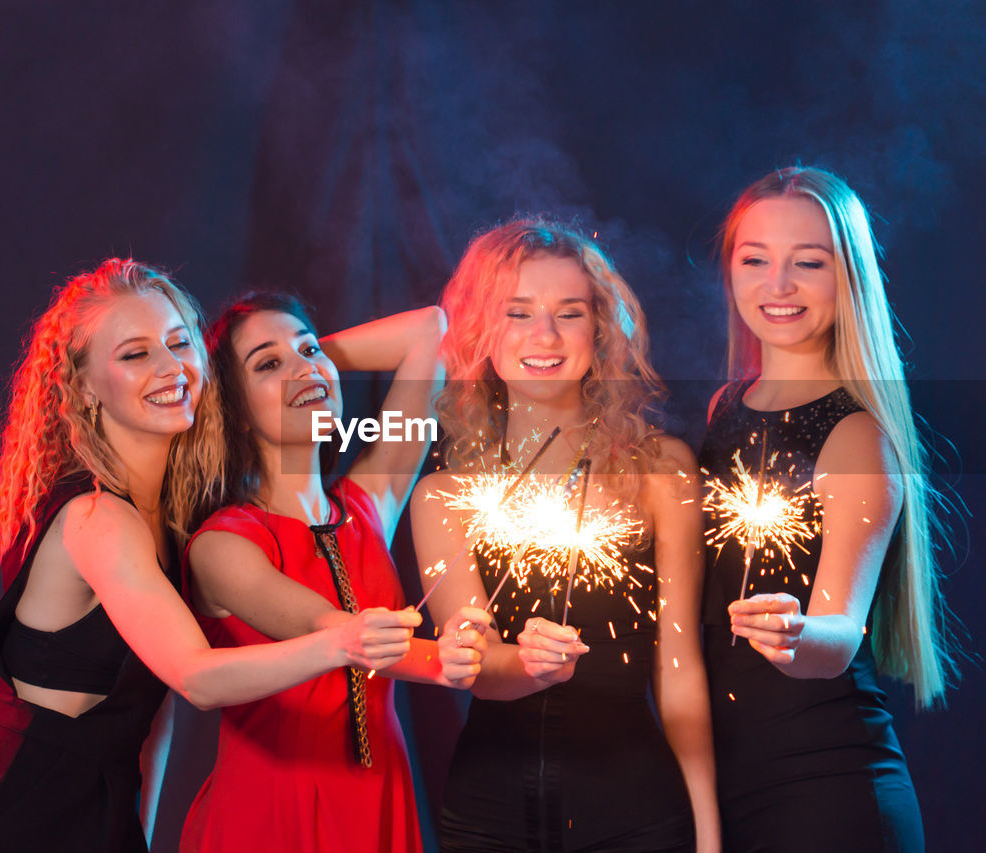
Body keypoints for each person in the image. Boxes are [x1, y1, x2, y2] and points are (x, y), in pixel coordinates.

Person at [0, 260, 425, 853]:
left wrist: (301, 362)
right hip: (12, 820)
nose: (171, 366)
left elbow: (151, 716)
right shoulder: (98, 518)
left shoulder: (174, 522)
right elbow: (195, 677)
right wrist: (343, 642)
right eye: (135, 354)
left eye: (180, 344)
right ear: (83, 389)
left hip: (102, 819)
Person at [410, 219, 722, 852]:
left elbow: (680, 667)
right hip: (487, 817)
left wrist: (709, 835)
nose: (544, 335)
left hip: (636, 813)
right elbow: (474, 665)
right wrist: (527, 667)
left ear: (601, 329)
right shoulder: (444, 495)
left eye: (569, 313)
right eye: (517, 313)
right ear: (480, 331)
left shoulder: (661, 469)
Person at [700, 166, 957, 852]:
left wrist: (792, 632)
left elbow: (840, 634)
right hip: (728, 790)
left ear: (849, 279)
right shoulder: (724, 409)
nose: (777, 285)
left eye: (807, 263)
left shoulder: (858, 437)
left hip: (827, 796)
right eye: (755, 259)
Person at [179, 292, 490, 853]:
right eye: (267, 363)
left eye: (309, 347)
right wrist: (444, 660)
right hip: (274, 811)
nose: (303, 365)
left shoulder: (369, 502)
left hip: (380, 798)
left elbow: (428, 329)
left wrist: (310, 366)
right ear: (236, 413)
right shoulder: (222, 544)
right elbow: (336, 628)